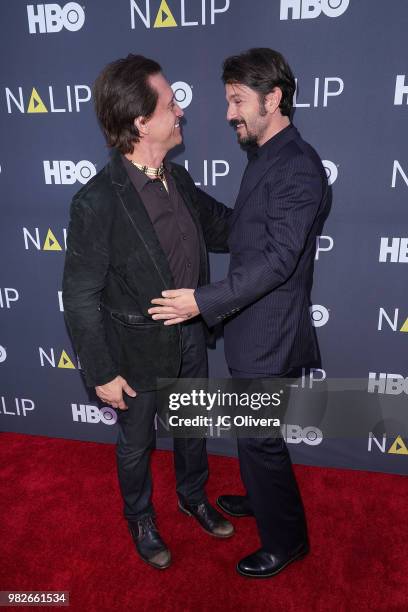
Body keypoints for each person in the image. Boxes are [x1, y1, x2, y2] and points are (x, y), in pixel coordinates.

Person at [148, 48, 329, 578]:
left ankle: (287, 540)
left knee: (259, 438)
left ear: (273, 99)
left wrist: (201, 300)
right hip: (253, 325)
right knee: (257, 437)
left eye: (237, 101)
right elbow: (239, 231)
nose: (229, 113)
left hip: (269, 330)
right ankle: (262, 498)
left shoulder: (297, 165)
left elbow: (277, 259)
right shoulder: (269, 157)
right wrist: (180, 193)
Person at [62, 54, 234, 571]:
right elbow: (79, 296)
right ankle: (139, 517)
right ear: (141, 121)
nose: (181, 111)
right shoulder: (97, 202)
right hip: (133, 352)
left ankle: (192, 495)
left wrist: (279, 208)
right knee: (136, 445)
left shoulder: (174, 179)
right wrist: (101, 373)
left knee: (192, 428)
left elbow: (224, 227)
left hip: (188, 335)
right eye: (171, 103)